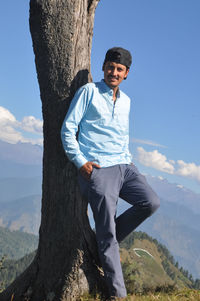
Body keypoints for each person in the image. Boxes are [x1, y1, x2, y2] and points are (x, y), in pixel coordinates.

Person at [61, 47, 160, 300]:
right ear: (103, 67)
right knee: (107, 235)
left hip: (125, 166)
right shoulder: (89, 92)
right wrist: (81, 162)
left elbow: (120, 136)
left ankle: (105, 240)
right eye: (109, 67)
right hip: (98, 169)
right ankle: (117, 295)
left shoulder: (126, 102)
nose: (113, 72)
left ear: (126, 73)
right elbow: (67, 129)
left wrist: (128, 162)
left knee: (150, 202)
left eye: (119, 69)